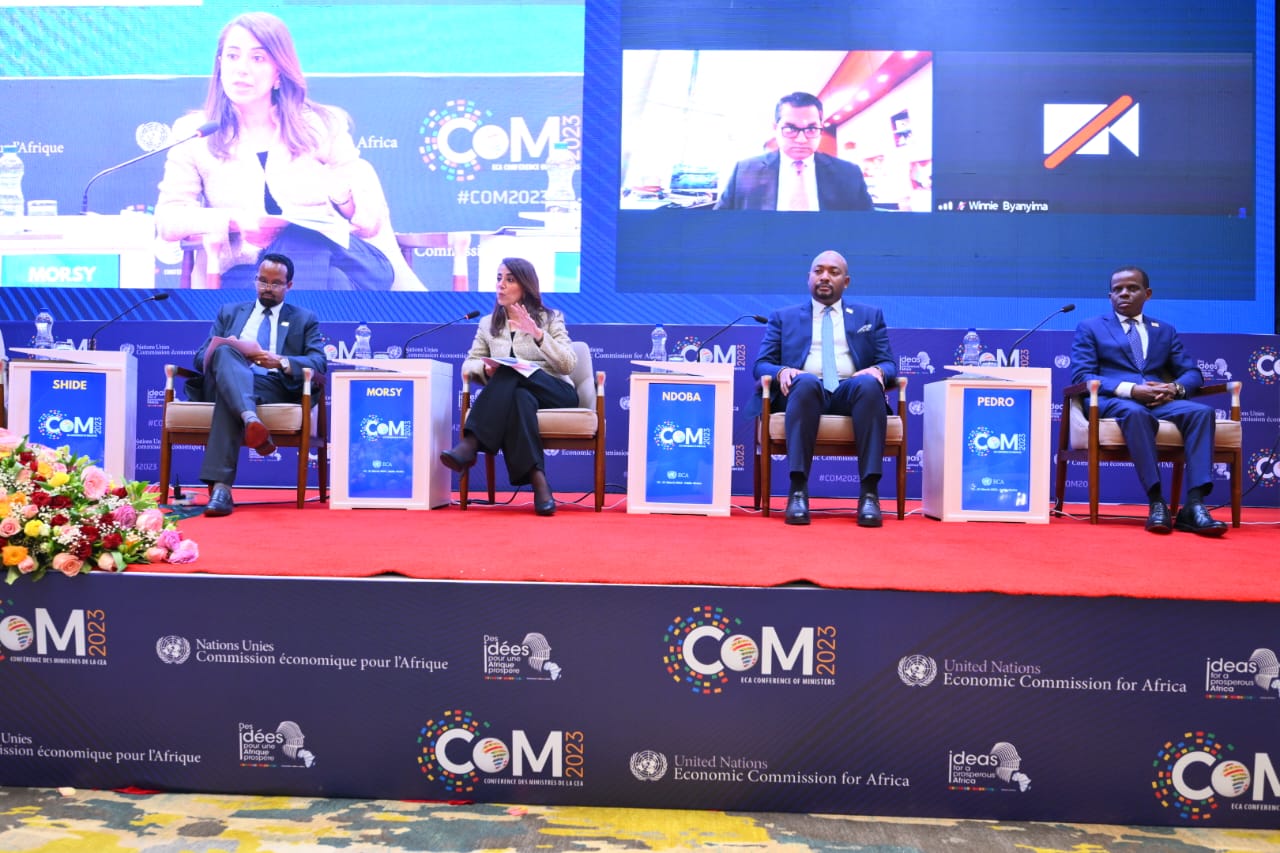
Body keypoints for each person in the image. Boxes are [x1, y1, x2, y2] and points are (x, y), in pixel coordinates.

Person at [155, 11, 422, 291]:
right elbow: (169, 218)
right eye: (232, 56)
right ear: (220, 64)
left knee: (300, 235)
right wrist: (233, 219)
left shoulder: (320, 125)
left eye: (258, 58)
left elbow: (370, 224)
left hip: (350, 262)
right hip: (252, 274)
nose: (241, 69)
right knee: (327, 280)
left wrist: (342, 197)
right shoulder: (196, 133)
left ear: (279, 72)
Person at [1069, 265, 1226, 536]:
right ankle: (1157, 502)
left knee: (1202, 413)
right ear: (1110, 296)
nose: (1124, 294)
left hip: (1160, 401)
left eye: (1132, 288)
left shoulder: (1164, 330)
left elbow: (1192, 373)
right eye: (1117, 290)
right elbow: (1082, 374)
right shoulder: (1091, 327)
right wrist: (1131, 390)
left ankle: (1194, 505)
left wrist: (1174, 388)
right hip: (1114, 400)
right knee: (1135, 413)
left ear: (1147, 293)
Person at [753, 250, 897, 526]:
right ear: (808, 277)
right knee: (805, 381)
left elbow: (888, 363)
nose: (824, 277)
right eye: (818, 271)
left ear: (846, 281)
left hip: (850, 392)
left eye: (833, 272)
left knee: (868, 384)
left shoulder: (870, 315)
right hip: (804, 393)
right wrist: (781, 371)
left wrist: (878, 371)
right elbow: (760, 365)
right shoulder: (783, 317)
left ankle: (869, 494)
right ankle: (798, 492)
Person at [189, 252, 327, 517]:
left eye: (276, 283)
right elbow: (199, 358)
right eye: (263, 281)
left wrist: (281, 362)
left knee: (229, 395)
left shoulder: (303, 318)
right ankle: (250, 419)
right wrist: (226, 350)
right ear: (255, 280)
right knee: (225, 353)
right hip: (225, 379)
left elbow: (319, 363)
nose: (267, 288)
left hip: (271, 385)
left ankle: (221, 488)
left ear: (289, 285)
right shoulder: (230, 313)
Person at [440, 258, 578, 516]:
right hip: (520, 395)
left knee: (510, 371)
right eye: (499, 278)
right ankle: (539, 482)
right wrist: (485, 370)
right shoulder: (488, 324)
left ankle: (471, 444)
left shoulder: (550, 318)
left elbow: (568, 364)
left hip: (556, 392)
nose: (501, 285)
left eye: (510, 279)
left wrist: (539, 335)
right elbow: (469, 364)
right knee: (520, 397)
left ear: (525, 286)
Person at [714, 92, 873, 211]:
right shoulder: (745, 171)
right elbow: (720, 224)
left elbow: (868, 227)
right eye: (790, 129)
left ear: (821, 127)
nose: (801, 139)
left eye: (811, 129)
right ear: (775, 128)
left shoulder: (848, 173)